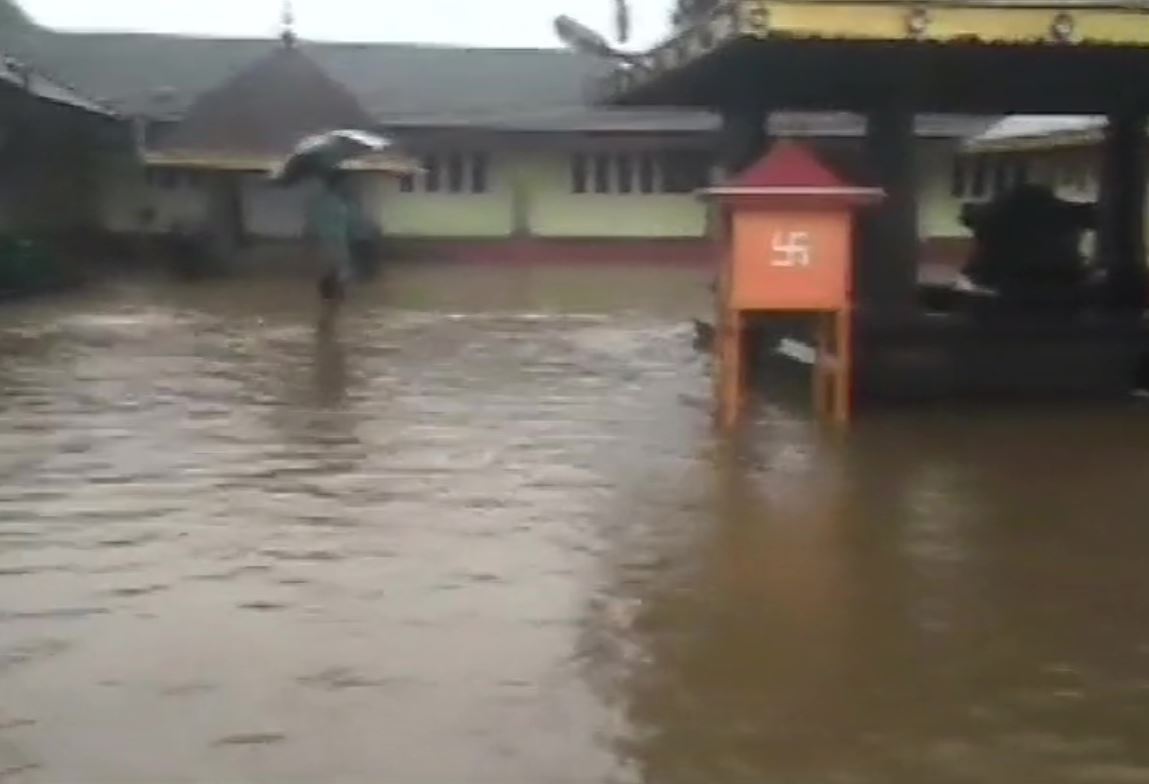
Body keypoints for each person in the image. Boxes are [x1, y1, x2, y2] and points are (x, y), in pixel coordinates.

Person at [308, 169, 357, 303]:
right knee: (339, 269)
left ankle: (330, 296)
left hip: (327, 242)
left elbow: (313, 223)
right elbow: (347, 223)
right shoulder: (339, 203)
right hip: (335, 242)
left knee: (332, 269)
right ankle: (335, 295)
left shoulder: (322, 202)